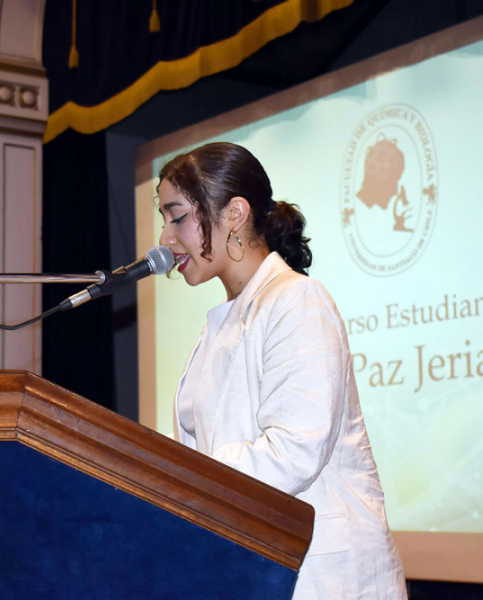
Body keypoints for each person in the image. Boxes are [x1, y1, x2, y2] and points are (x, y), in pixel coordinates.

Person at [157, 142, 407, 599]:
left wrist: (182, 479)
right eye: (164, 219)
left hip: (320, 578)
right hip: (253, 568)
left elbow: (294, 450)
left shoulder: (296, 300)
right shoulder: (222, 323)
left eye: (177, 217)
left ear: (235, 213)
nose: (165, 238)